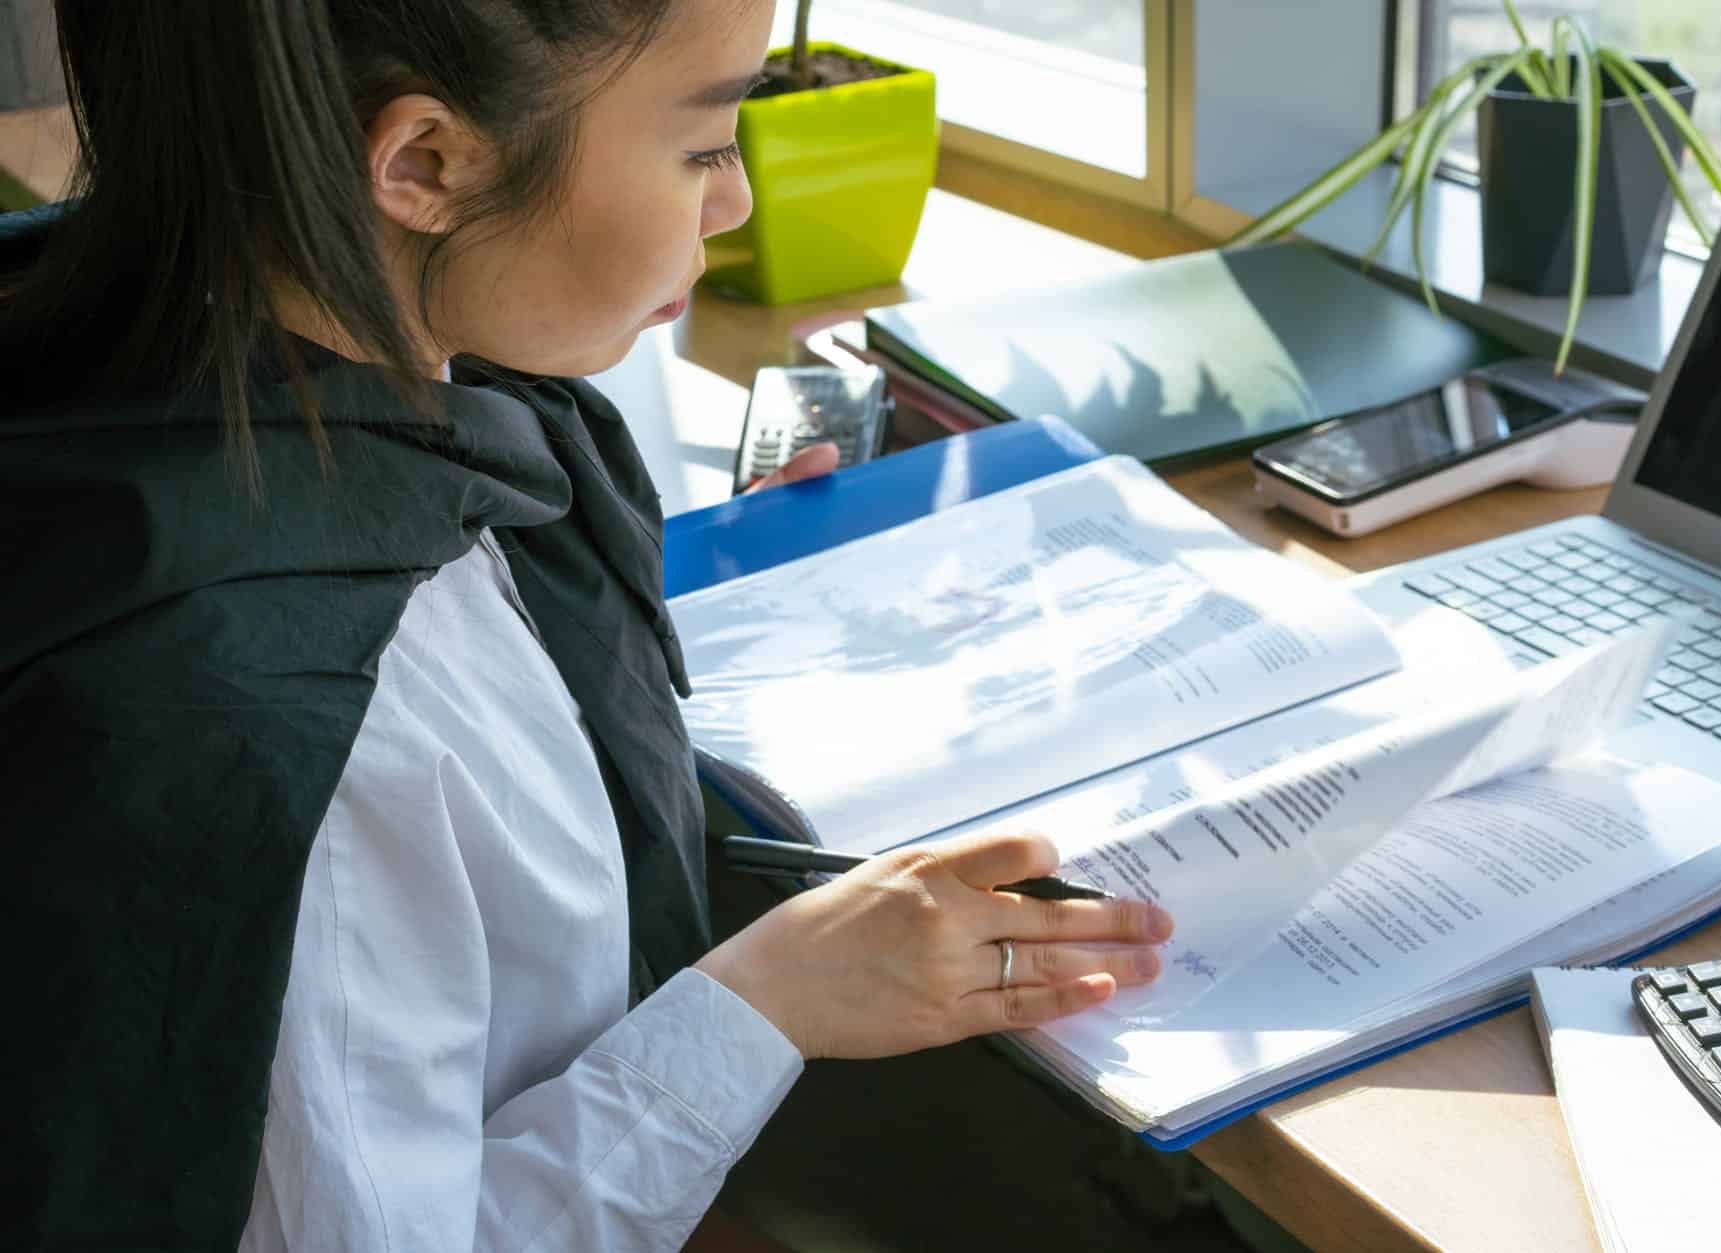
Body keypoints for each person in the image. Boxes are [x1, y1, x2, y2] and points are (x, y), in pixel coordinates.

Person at [0, 1, 1174, 1249]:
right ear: (425, 166)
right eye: (707, 146)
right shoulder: (316, 752)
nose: (733, 206)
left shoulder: (247, 349)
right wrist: (767, 1002)